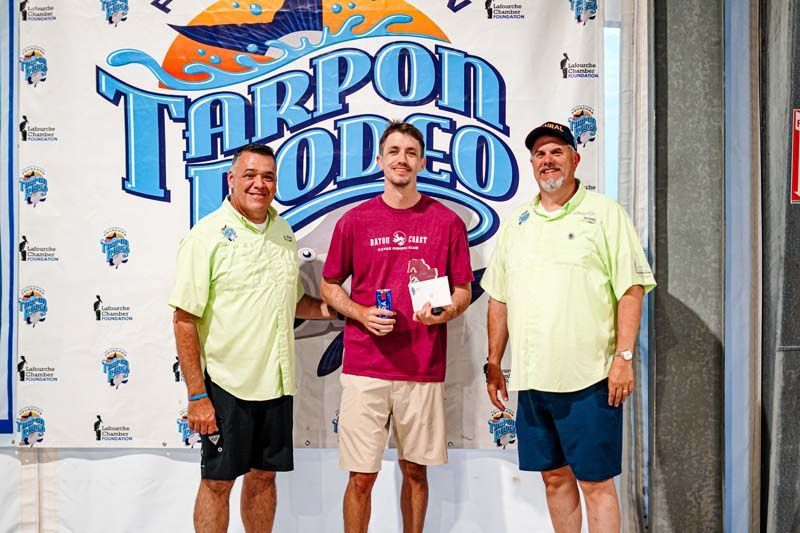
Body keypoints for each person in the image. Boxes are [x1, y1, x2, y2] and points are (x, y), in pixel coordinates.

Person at [482, 121, 656, 532]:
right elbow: (499, 298)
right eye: (540, 154)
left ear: (576, 159)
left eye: (557, 151)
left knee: (595, 483)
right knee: (554, 478)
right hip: (533, 380)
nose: (548, 160)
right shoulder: (517, 223)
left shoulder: (606, 215)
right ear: (531, 164)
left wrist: (624, 358)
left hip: (590, 379)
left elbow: (631, 289)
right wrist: (493, 361)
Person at [170, 143, 333, 533]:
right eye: (250, 175)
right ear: (231, 180)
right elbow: (183, 320)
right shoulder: (205, 236)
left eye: (268, 177)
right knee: (217, 483)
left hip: (276, 383)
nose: (259, 184)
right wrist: (197, 396)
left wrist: (344, 309)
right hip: (226, 385)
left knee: (263, 477)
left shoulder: (282, 232)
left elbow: (293, 302)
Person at [320, 121, 474, 533]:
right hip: (365, 368)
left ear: (422, 162)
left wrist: (444, 312)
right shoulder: (355, 221)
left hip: (421, 368)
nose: (401, 159)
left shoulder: (446, 222)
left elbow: (462, 290)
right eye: (393, 151)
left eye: (410, 152)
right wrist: (360, 313)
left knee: (417, 472)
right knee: (360, 477)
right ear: (380, 160)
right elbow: (329, 284)